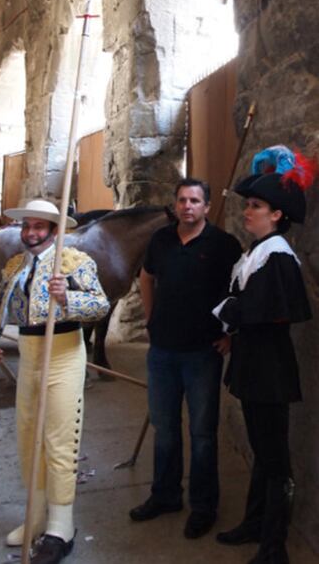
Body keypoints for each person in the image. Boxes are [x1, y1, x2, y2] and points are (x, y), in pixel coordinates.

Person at [0, 199, 109, 564]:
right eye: (27, 227)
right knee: (28, 436)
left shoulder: (74, 262)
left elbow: (100, 305)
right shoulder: (15, 265)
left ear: (55, 231)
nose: (31, 233)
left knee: (58, 437)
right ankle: (36, 517)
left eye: (39, 227)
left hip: (65, 354)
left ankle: (61, 526)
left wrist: (66, 296)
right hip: (29, 354)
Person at [213, 146, 314, 564]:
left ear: (276, 215)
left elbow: (255, 310)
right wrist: (233, 313)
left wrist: (230, 313)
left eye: (255, 206)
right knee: (262, 451)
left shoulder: (277, 257)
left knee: (274, 460)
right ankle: (256, 524)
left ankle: (274, 548)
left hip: (270, 372)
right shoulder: (255, 254)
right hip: (255, 368)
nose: (246, 211)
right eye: (248, 205)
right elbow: (240, 305)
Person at [129, 178, 242, 538]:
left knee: (203, 433)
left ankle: (204, 505)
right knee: (165, 429)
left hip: (202, 353)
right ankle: (165, 495)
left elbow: (240, 292)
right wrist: (150, 319)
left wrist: (230, 334)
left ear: (207, 207)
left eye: (195, 200)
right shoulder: (161, 240)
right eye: (182, 200)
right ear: (175, 205)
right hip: (162, 351)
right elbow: (146, 278)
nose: (187, 206)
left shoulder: (224, 245)